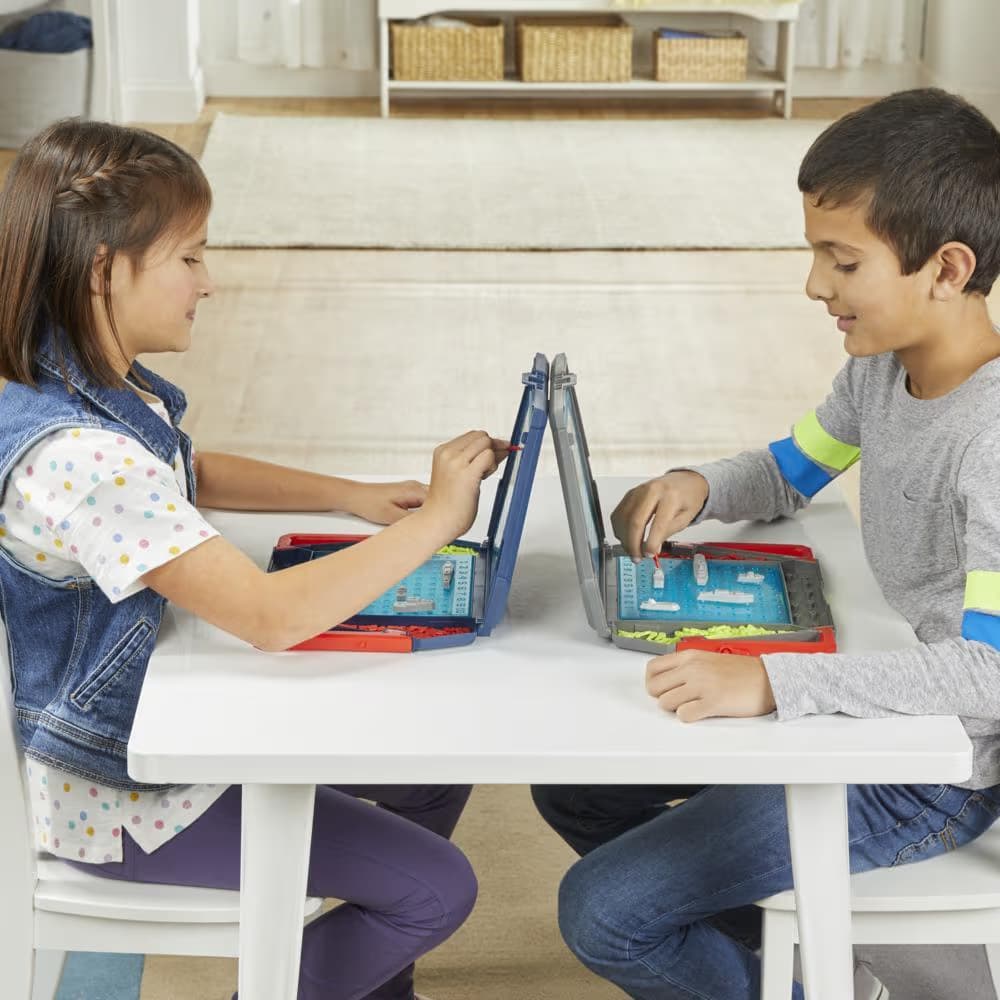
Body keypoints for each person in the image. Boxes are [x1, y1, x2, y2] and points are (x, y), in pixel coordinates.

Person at [0, 118, 510, 1000]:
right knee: (436, 891)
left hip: (141, 725)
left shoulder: (75, 384)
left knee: (429, 773)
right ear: (103, 269)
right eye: (190, 257)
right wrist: (433, 524)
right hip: (118, 797)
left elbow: (185, 469)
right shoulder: (81, 460)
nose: (210, 281)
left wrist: (350, 495)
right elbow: (270, 620)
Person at [533, 88, 1000, 1000]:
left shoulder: (991, 440)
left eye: (843, 260)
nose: (816, 285)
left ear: (947, 268)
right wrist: (701, 487)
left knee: (604, 911)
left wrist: (773, 685)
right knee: (574, 787)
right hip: (883, 709)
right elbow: (791, 470)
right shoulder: (881, 371)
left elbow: (988, 674)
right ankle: (802, 955)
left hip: (935, 772)